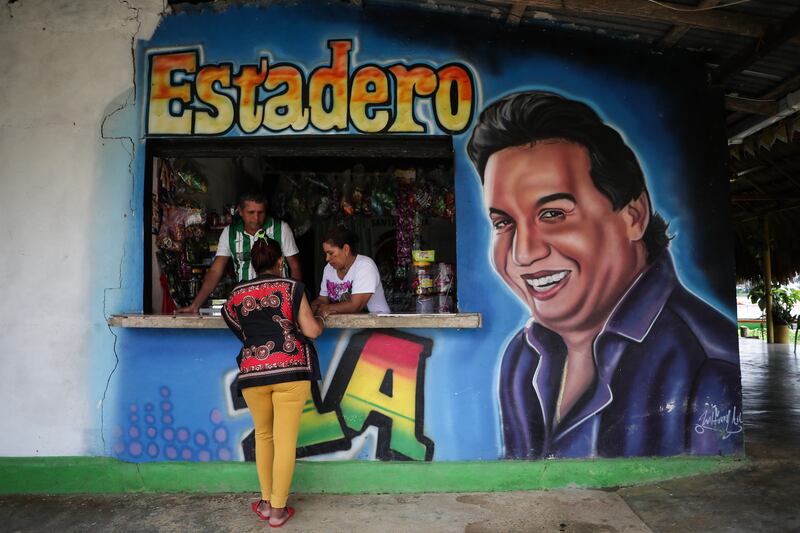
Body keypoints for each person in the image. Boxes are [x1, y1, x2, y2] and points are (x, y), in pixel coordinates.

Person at [467, 90, 742, 459]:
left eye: (553, 214)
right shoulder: (523, 356)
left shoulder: (706, 367)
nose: (523, 253)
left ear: (633, 216)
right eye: (503, 223)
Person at [221, 232, 323, 528]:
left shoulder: (236, 294)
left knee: (264, 436)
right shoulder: (292, 287)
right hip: (291, 371)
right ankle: (278, 510)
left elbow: (239, 328)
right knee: (284, 440)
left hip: (253, 372)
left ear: (253, 265)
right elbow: (311, 331)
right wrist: (322, 320)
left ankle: (266, 502)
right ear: (281, 262)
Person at [177, 191, 302, 314]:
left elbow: (295, 267)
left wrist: (295, 304)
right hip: (246, 307)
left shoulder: (281, 229)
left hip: (279, 304)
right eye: (251, 212)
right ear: (240, 211)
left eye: (261, 212)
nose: (256, 218)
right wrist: (195, 305)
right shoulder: (230, 233)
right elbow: (215, 271)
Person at [311, 226, 390, 317]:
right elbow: (323, 299)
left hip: (378, 323)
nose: (327, 259)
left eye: (331, 253)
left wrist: (326, 308)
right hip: (346, 324)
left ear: (346, 249)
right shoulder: (328, 268)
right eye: (326, 254)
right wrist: (312, 307)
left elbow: (355, 306)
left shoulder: (365, 266)